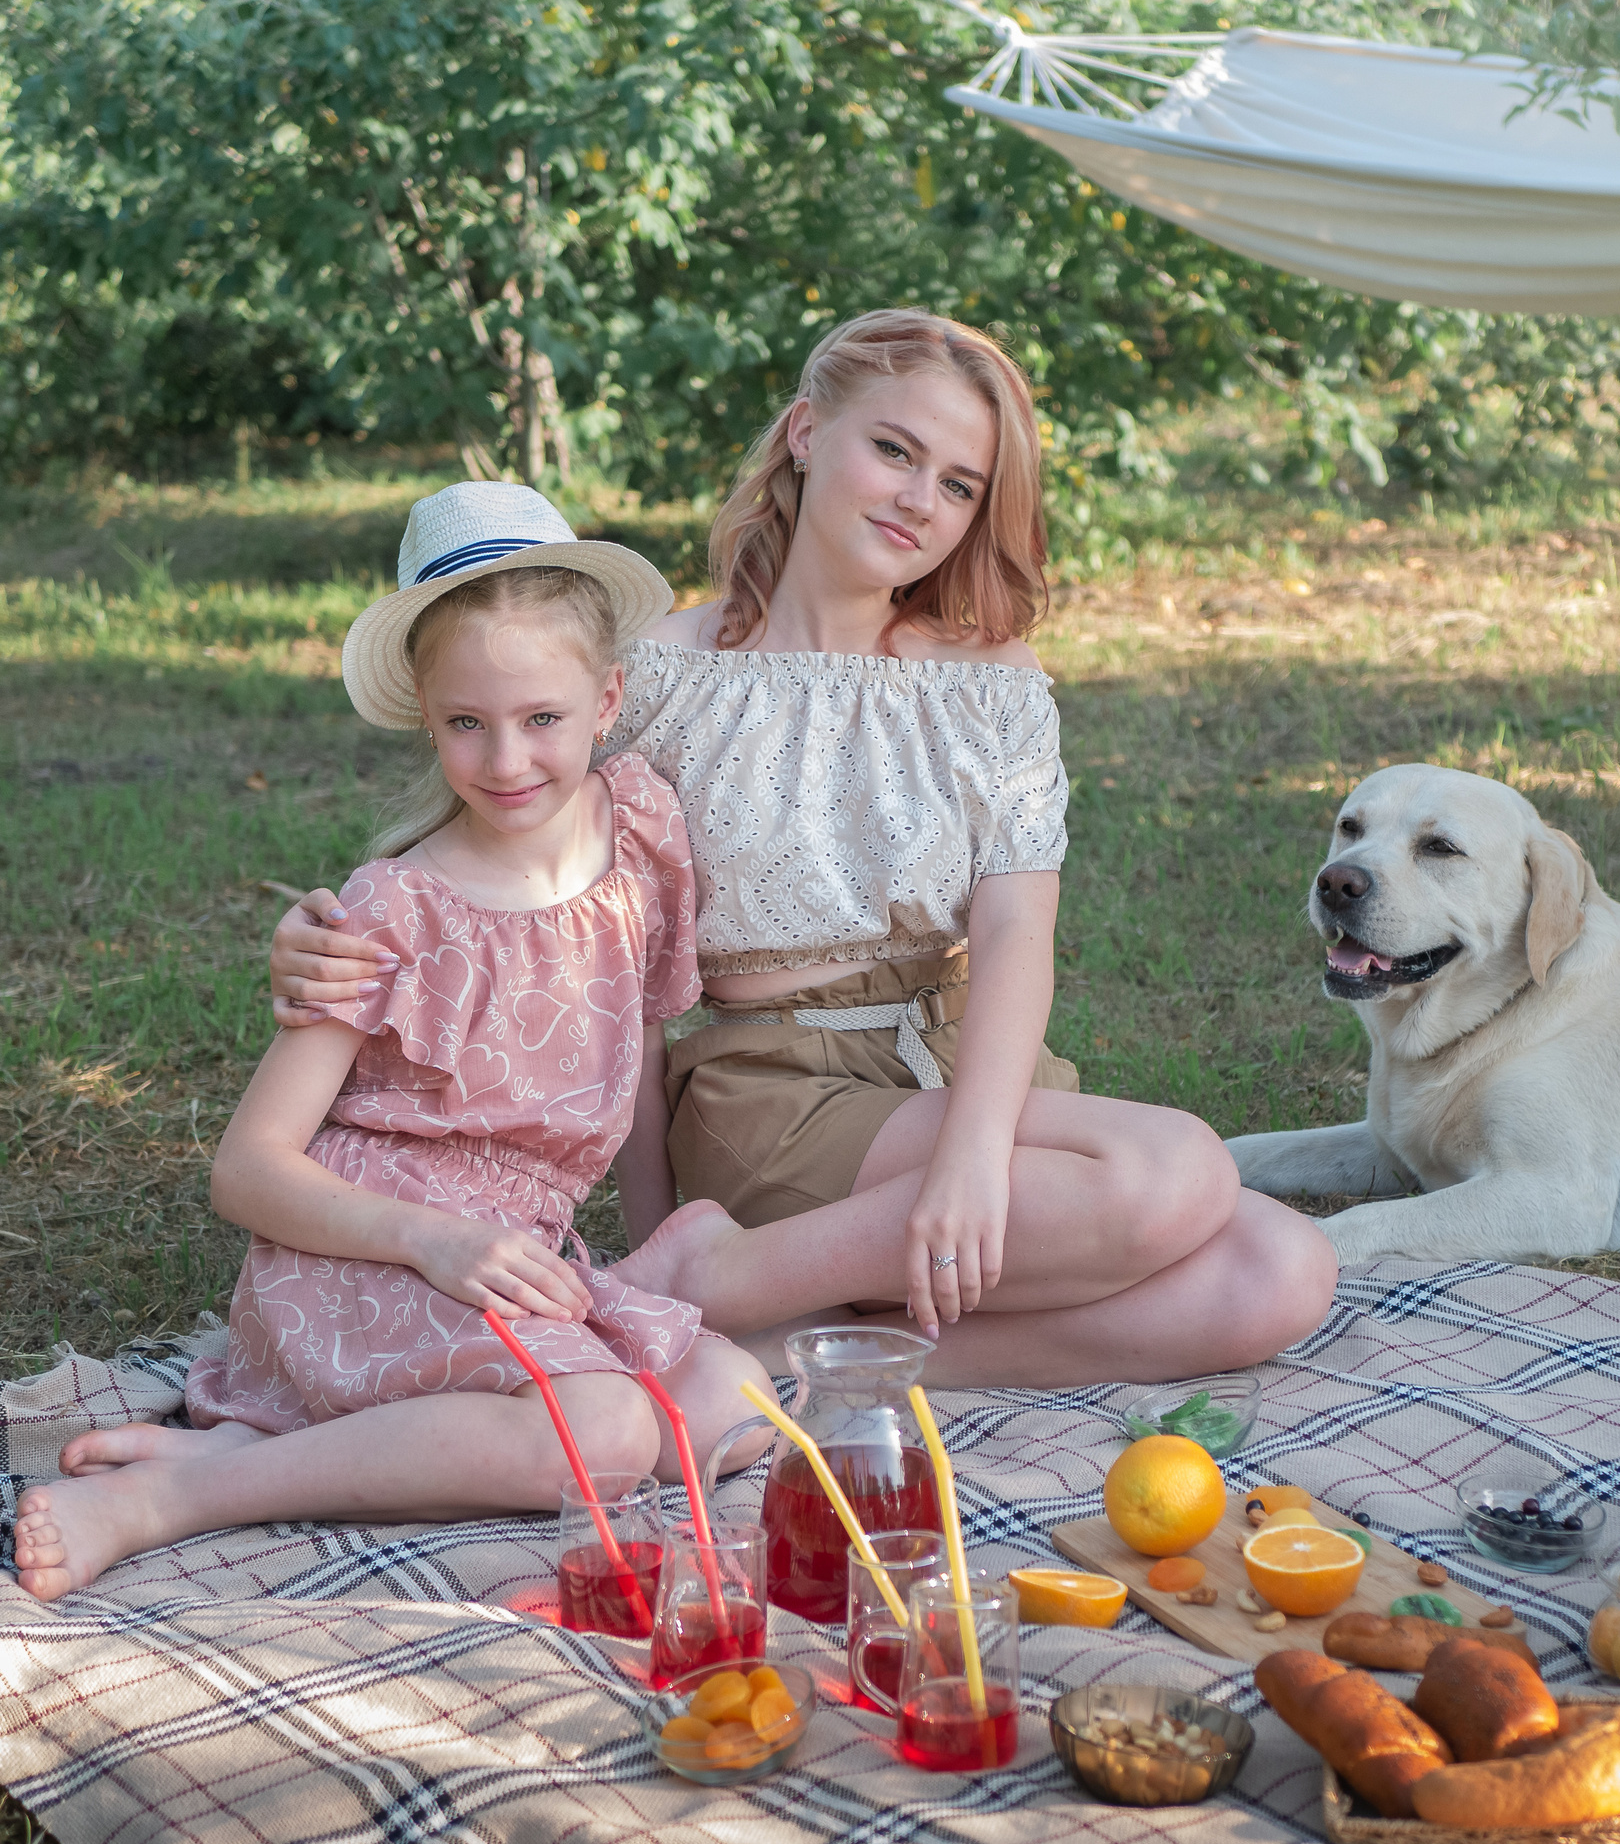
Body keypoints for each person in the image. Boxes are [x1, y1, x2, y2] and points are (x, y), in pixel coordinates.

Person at [270, 310, 1338, 1389]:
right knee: (1173, 1172)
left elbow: (1020, 928)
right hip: (776, 1091)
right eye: (894, 449)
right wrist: (324, 941)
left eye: (960, 485)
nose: (920, 499)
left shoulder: (993, 682)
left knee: (1281, 1271)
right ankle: (711, 1268)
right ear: (805, 432)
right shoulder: (665, 677)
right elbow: (522, 880)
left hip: (962, 1066)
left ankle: (791, 1346)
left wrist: (973, 1159)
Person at [15, 485, 769, 1601]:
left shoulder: (641, 831)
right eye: (467, 723)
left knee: (734, 1405)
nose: (507, 760)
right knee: (609, 1432)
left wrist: (637, 1273)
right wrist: (432, 1241)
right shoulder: (393, 912)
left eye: (543, 718)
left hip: (513, 1253)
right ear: (425, 712)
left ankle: (280, 1447)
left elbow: (642, 1063)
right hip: (370, 1252)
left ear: (607, 698)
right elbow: (247, 1169)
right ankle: (177, 1499)